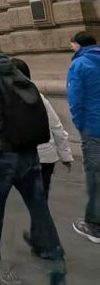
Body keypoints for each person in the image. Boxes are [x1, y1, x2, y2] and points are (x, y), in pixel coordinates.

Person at [0, 29, 63, 261]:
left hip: (1, 155)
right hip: (28, 151)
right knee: (38, 204)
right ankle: (50, 247)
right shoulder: (13, 70)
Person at [10, 57, 73, 199]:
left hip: (24, 159)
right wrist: (65, 156)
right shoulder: (39, 97)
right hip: (46, 157)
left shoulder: (5, 100)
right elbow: (56, 126)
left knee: (33, 200)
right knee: (40, 201)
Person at [67, 29, 100, 243]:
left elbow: (75, 100)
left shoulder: (78, 65)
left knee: (95, 174)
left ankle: (94, 225)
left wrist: (79, 124)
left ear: (77, 45)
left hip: (92, 125)